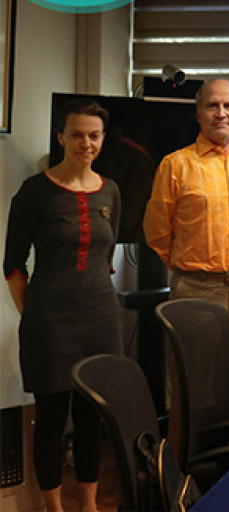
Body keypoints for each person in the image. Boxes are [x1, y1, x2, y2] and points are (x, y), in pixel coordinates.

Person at [4, 100, 121, 512]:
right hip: (49, 324)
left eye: (94, 135)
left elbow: (104, 261)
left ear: (102, 139)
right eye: (76, 134)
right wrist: (36, 316)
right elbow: (13, 267)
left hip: (102, 320)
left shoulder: (110, 190)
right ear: (60, 137)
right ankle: (53, 509)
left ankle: (88, 505)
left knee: (94, 418)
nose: (85, 143)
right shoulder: (34, 192)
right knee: (52, 422)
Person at [143, 78, 229, 387]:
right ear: (199, 114)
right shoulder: (176, 165)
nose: (221, 113)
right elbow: (157, 230)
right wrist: (194, 270)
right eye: (212, 106)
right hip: (195, 288)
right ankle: (186, 439)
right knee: (191, 383)